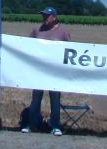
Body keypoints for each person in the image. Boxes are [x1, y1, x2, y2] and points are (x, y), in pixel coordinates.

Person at [21, 7, 71, 136]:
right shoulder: (37, 30)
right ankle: (32, 124)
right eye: (43, 15)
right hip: (38, 71)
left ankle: (55, 125)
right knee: (36, 98)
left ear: (54, 17)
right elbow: (27, 45)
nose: (44, 18)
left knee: (55, 99)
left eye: (47, 15)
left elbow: (69, 51)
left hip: (55, 72)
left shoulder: (63, 32)